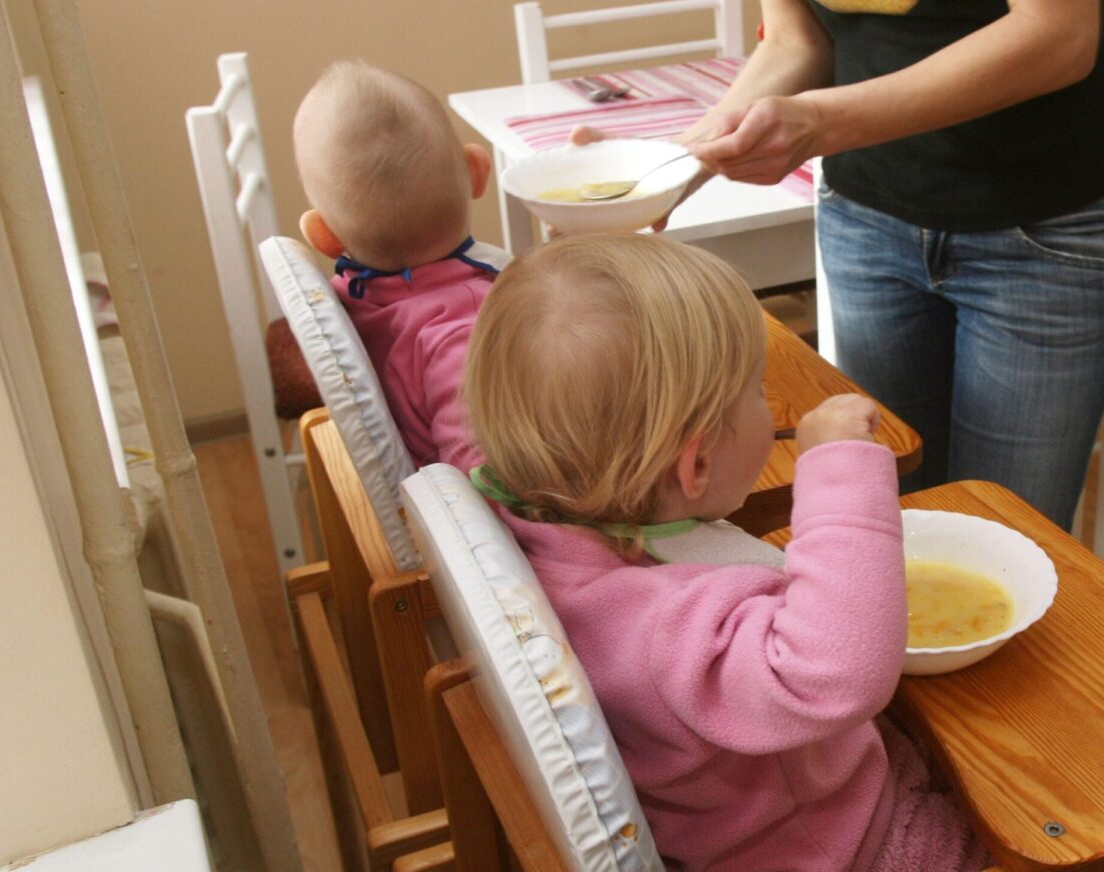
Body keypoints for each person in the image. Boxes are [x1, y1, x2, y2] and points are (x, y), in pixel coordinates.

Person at [462, 232, 992, 871]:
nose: (770, 409)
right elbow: (836, 672)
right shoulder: (664, 629)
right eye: (758, 392)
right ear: (699, 463)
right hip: (850, 849)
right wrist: (837, 466)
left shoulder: (548, 528)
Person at [660, 0, 1104, 530]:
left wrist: (822, 120)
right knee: (887, 507)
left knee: (1008, 533)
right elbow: (796, 41)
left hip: (1045, 220)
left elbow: (1059, 37)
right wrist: (671, 166)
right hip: (867, 218)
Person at [293, 60, 508, 472]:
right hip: (513, 523)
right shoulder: (468, 333)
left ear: (323, 236)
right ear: (479, 171)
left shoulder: (353, 297)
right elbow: (490, 480)